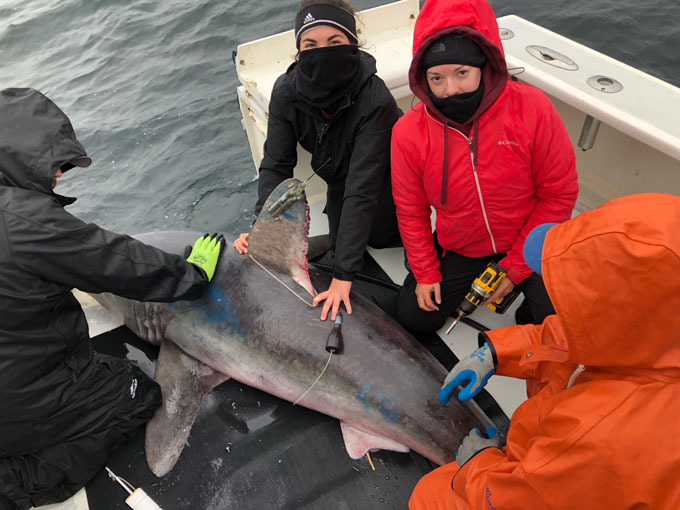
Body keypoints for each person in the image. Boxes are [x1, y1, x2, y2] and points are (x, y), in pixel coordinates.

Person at [0, 88, 224, 510]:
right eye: (54, 165)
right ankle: (15, 484)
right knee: (136, 393)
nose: (60, 176)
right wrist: (191, 275)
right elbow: (116, 262)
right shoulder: (23, 220)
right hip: (17, 398)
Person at [409, 193, 680, 509]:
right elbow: (568, 339)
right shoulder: (654, 336)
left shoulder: (595, 434)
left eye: (576, 297)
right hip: (569, 469)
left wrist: (478, 464)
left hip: (554, 483)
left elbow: (514, 501)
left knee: (431, 495)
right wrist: (497, 353)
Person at [391, 0, 579, 335]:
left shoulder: (532, 108)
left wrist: (514, 270)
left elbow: (558, 195)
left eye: (462, 73)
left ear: (484, 66)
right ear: (423, 78)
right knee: (412, 317)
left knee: (559, 324)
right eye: (437, 78)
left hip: (531, 238)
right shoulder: (408, 132)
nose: (451, 90)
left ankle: (530, 302)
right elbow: (410, 210)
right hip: (463, 247)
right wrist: (426, 272)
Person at [233, 0, 401, 322]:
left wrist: (344, 276)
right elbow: (276, 166)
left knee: (376, 245)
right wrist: (262, 230)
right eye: (310, 44)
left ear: (353, 43)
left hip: (389, 186)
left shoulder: (375, 100)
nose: (321, 51)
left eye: (334, 42)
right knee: (340, 252)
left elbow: (363, 188)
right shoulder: (286, 91)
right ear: (298, 50)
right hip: (341, 188)